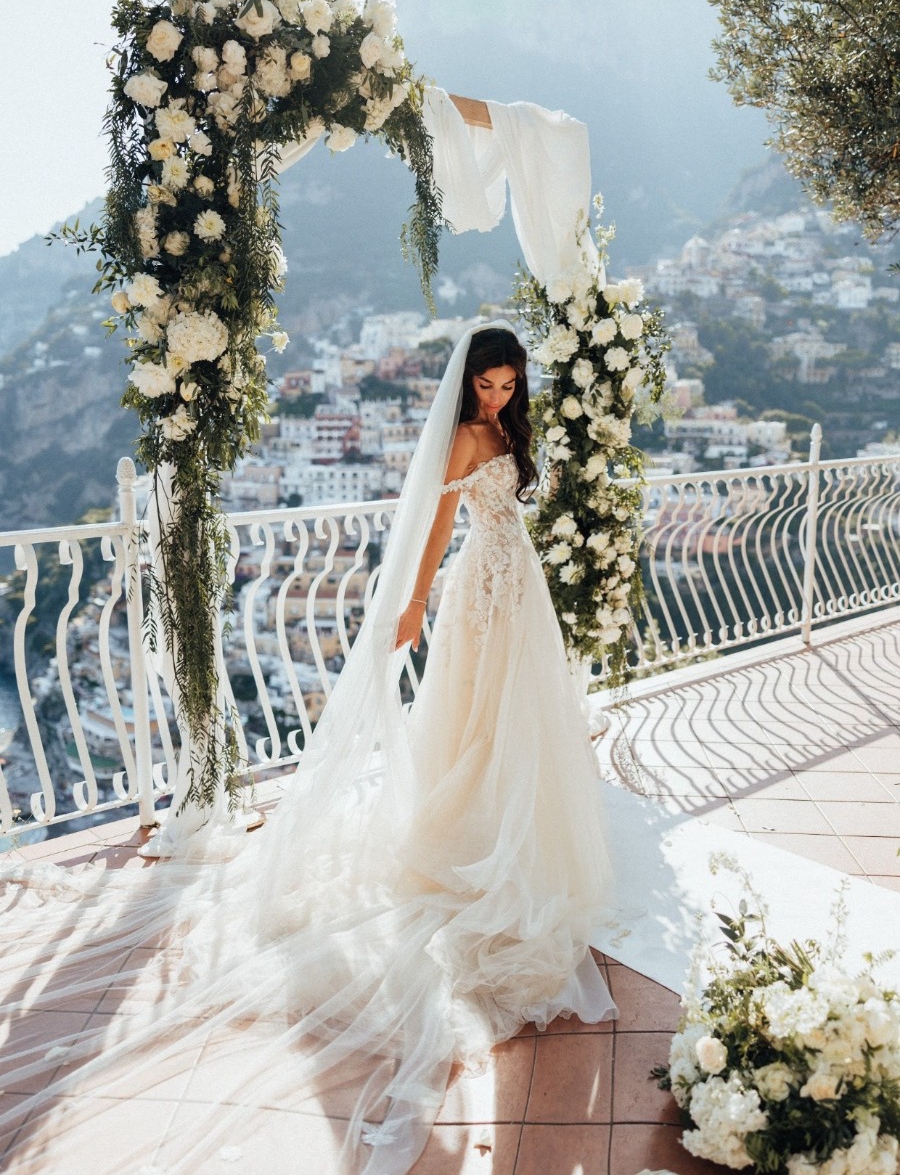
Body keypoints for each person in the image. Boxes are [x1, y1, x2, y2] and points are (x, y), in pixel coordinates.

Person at [0, 321, 617, 1175]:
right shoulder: (466, 436)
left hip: (523, 586)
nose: (497, 397)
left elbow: (506, 509)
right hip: (480, 587)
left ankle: (503, 822)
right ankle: (470, 828)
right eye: (487, 385)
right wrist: (410, 603)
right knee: (479, 716)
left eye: (509, 385)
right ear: (467, 382)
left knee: (518, 717)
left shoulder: (511, 431)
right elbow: (439, 524)